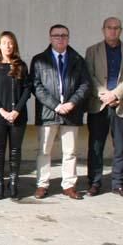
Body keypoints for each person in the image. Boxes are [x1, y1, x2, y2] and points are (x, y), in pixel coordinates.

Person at [30, 24, 89, 200]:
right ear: (50, 38)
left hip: (72, 112)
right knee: (44, 150)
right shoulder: (39, 60)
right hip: (48, 112)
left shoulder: (78, 59)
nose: (60, 38)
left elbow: (85, 84)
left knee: (70, 151)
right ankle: (42, 184)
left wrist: (72, 103)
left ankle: (69, 185)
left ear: (68, 38)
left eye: (64, 35)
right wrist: (56, 105)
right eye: (56, 35)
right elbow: (36, 86)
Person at [85, 17, 123, 198]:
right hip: (98, 105)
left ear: (121, 30)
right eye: (109, 28)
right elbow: (89, 76)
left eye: (116, 28)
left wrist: (116, 95)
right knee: (95, 146)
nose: (113, 31)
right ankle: (94, 183)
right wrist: (105, 95)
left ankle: (119, 184)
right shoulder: (92, 51)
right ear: (103, 30)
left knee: (121, 147)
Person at [0, 31, 31, 200]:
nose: (8, 46)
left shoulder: (21, 65)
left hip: (18, 115)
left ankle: (13, 183)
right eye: (4, 43)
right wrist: (2, 111)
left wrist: (16, 111)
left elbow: (27, 90)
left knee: (15, 150)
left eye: (11, 43)